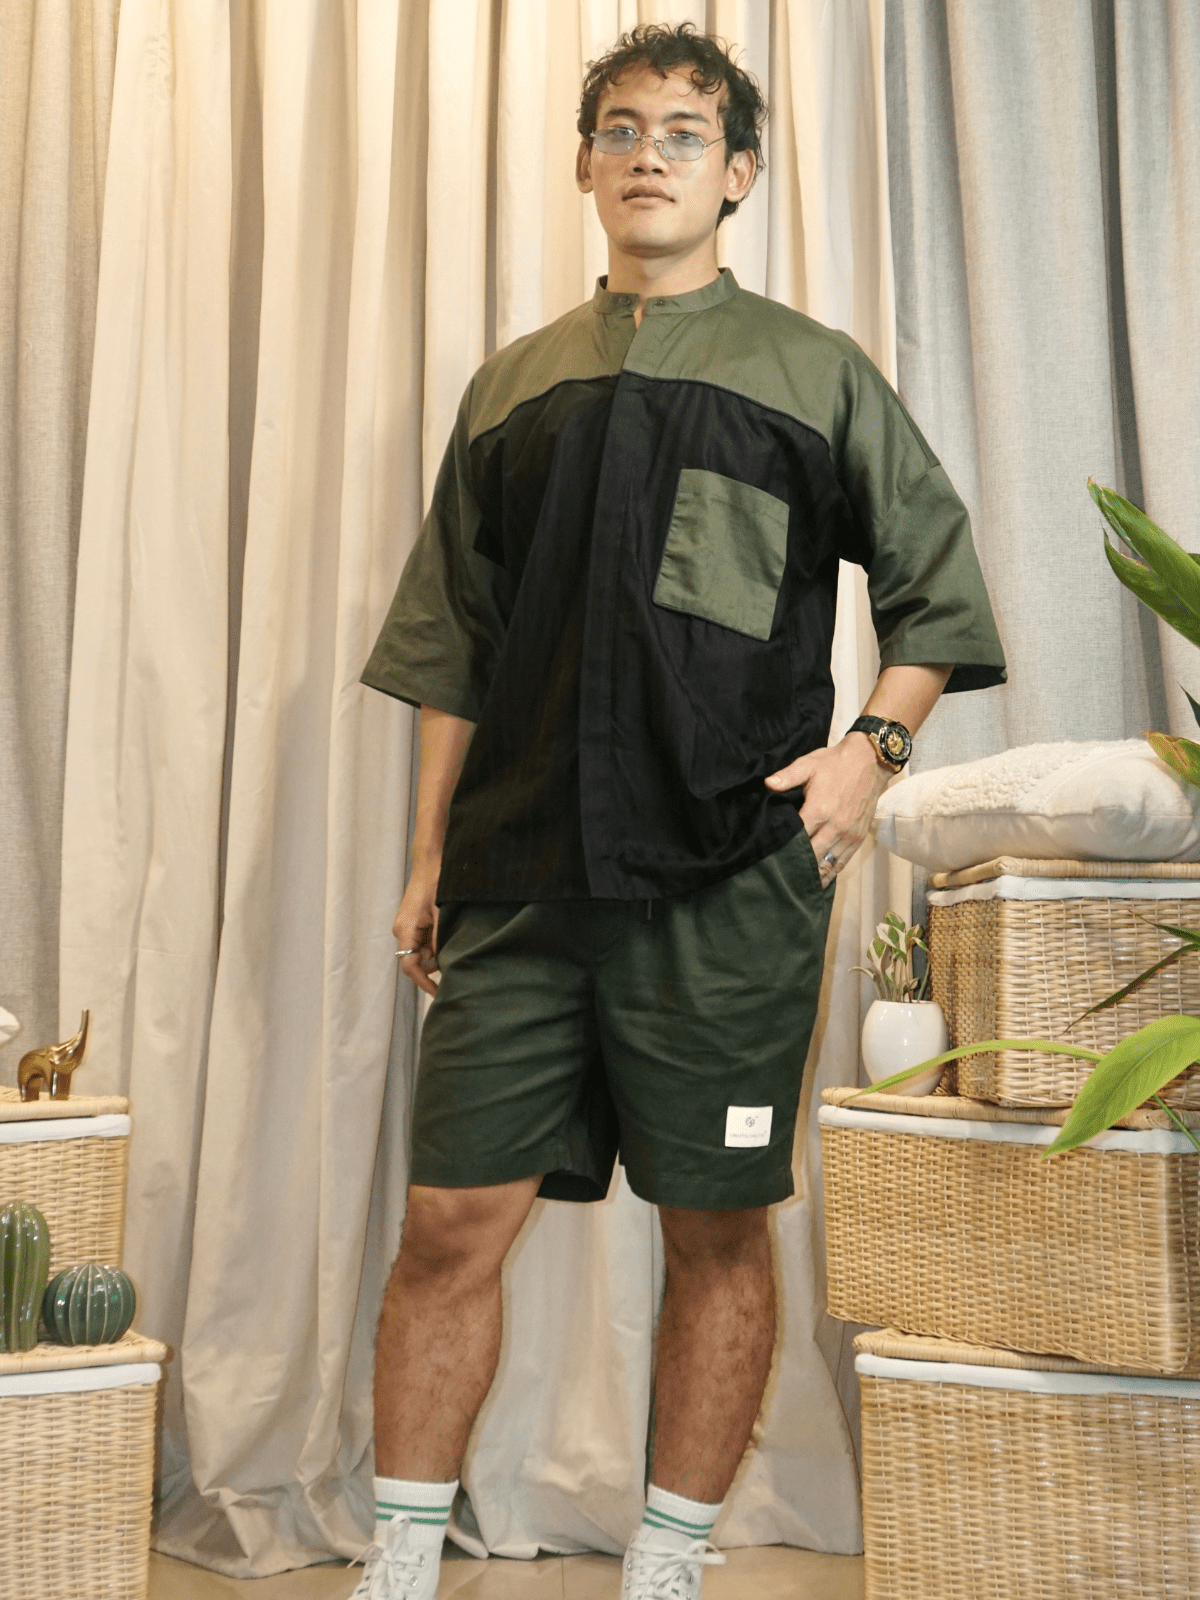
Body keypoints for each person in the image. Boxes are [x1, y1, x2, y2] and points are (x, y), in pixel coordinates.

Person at [354, 21, 1005, 1600]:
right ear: (586, 163)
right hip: (519, 872)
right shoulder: (512, 388)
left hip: (726, 879)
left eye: (687, 133)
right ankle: (399, 1559)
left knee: (715, 1225)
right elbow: (454, 646)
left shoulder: (811, 373)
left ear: (740, 175)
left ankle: (670, 1558)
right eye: (623, 129)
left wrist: (870, 754)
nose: (650, 153)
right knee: (449, 1219)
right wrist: (429, 856)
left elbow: (937, 592)